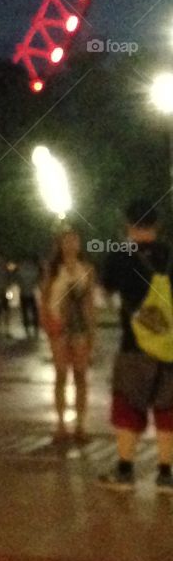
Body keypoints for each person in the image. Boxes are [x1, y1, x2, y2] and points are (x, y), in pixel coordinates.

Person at [99, 201, 173, 493]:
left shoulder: (119, 255)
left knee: (128, 406)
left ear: (128, 224)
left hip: (133, 344)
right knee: (168, 408)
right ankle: (166, 474)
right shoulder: (170, 253)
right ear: (157, 224)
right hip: (169, 346)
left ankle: (125, 470)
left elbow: (105, 292)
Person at [39, 229, 96, 442]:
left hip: (80, 326)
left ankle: (80, 425)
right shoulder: (52, 269)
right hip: (59, 327)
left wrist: (92, 330)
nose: (71, 245)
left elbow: (90, 301)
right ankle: (61, 424)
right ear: (60, 245)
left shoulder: (87, 269)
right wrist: (47, 324)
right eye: (66, 241)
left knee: (80, 375)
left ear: (79, 244)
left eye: (74, 240)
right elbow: (45, 298)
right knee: (61, 374)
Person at [16, 256, 41, 338]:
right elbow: (18, 281)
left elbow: (36, 280)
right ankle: (30, 330)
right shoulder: (26, 270)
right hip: (26, 293)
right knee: (28, 312)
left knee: (31, 312)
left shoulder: (30, 270)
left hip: (29, 293)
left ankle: (33, 329)